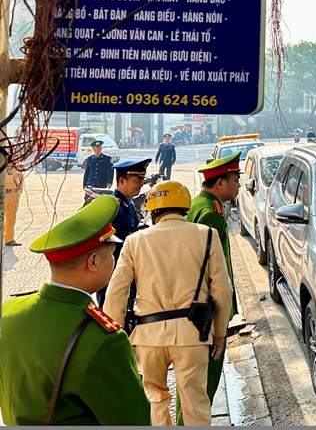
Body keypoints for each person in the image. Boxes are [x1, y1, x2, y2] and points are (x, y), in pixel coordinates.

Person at [0, 196, 151, 425]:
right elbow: (133, 420)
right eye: (111, 254)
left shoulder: (8, 312)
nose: (113, 261)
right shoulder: (104, 340)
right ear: (93, 262)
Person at [105, 181, 233, 426]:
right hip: (193, 334)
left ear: (153, 211)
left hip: (147, 336)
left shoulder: (135, 241)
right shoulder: (207, 235)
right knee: (195, 402)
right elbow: (222, 291)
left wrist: (118, 337)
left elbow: (117, 293)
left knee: (154, 399)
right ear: (184, 207)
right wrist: (219, 334)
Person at [185, 151, 241, 412]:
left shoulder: (202, 205)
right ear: (221, 183)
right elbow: (210, 273)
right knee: (203, 385)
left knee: (192, 386)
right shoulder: (210, 214)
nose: (239, 185)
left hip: (199, 310)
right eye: (235, 180)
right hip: (208, 312)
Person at [96, 158, 151, 307]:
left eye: (142, 180)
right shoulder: (113, 207)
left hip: (126, 271)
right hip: (113, 274)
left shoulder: (129, 202)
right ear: (122, 181)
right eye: (137, 180)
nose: (141, 184)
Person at [4, 162, 24, 246]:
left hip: (14, 194)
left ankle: (9, 239)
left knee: (11, 217)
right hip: (4, 194)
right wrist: (13, 177)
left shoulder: (15, 165)